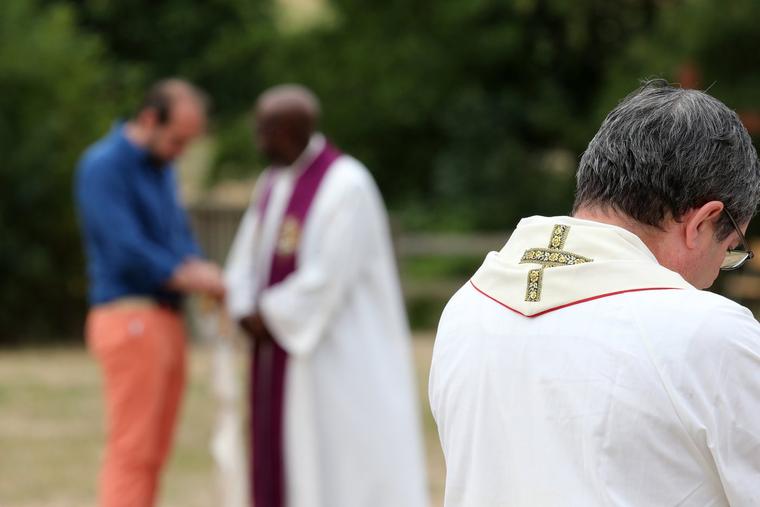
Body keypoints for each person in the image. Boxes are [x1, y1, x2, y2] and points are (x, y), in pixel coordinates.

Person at [430, 80, 760, 506]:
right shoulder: (710, 335)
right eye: (730, 249)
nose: (718, 272)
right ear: (702, 223)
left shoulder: (467, 308)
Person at [225, 84, 428, 507]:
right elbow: (245, 256)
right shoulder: (271, 183)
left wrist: (266, 316)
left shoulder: (346, 185)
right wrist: (242, 305)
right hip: (280, 350)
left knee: (336, 470)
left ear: (295, 129)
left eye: (268, 132)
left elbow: (328, 277)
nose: (260, 142)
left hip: (336, 357)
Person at [75, 79, 226, 507]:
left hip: (165, 320)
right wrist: (190, 276)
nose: (181, 151)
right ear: (148, 119)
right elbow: (126, 250)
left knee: (154, 453)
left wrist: (199, 266)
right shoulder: (102, 166)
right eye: (178, 140)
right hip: (130, 317)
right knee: (132, 451)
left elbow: (177, 238)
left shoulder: (162, 169)